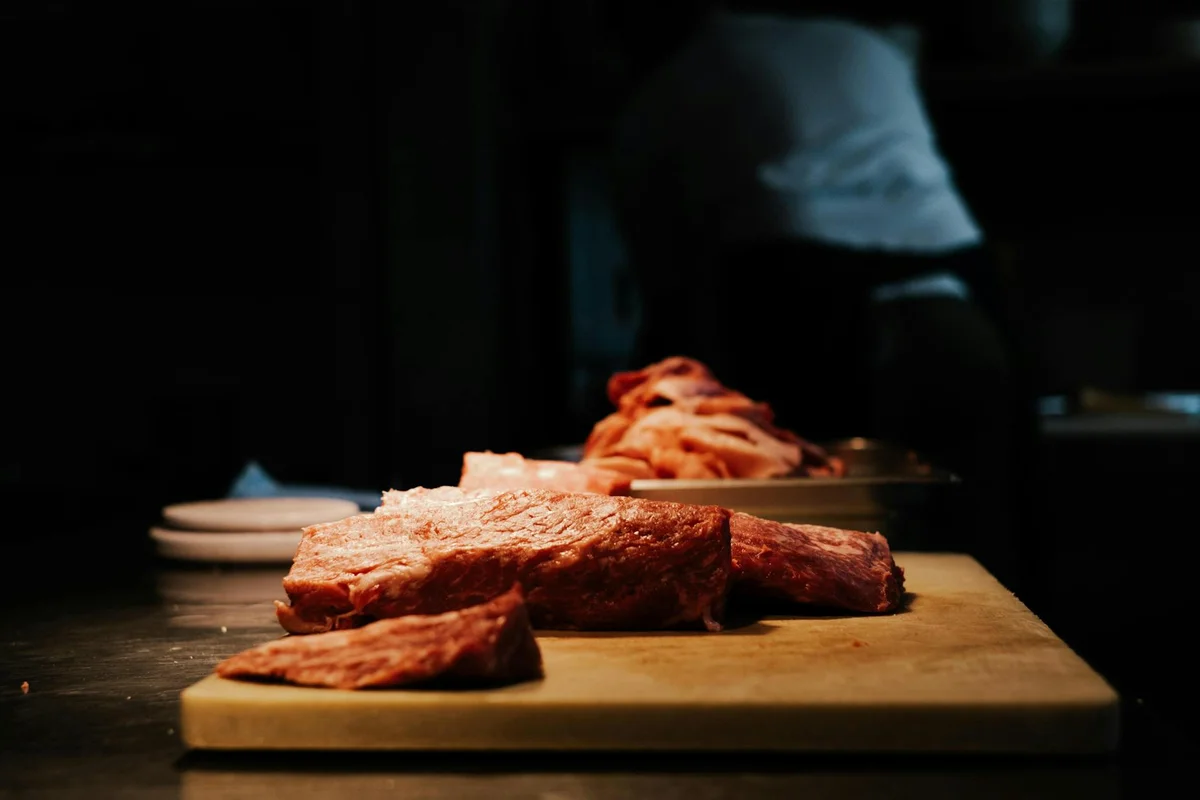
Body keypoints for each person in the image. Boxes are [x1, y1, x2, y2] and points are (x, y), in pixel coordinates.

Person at [608, 0, 1041, 588]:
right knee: (986, 498)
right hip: (955, 261)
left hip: (799, 271)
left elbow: (660, 263)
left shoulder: (677, 78)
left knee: (798, 519)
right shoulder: (863, 41)